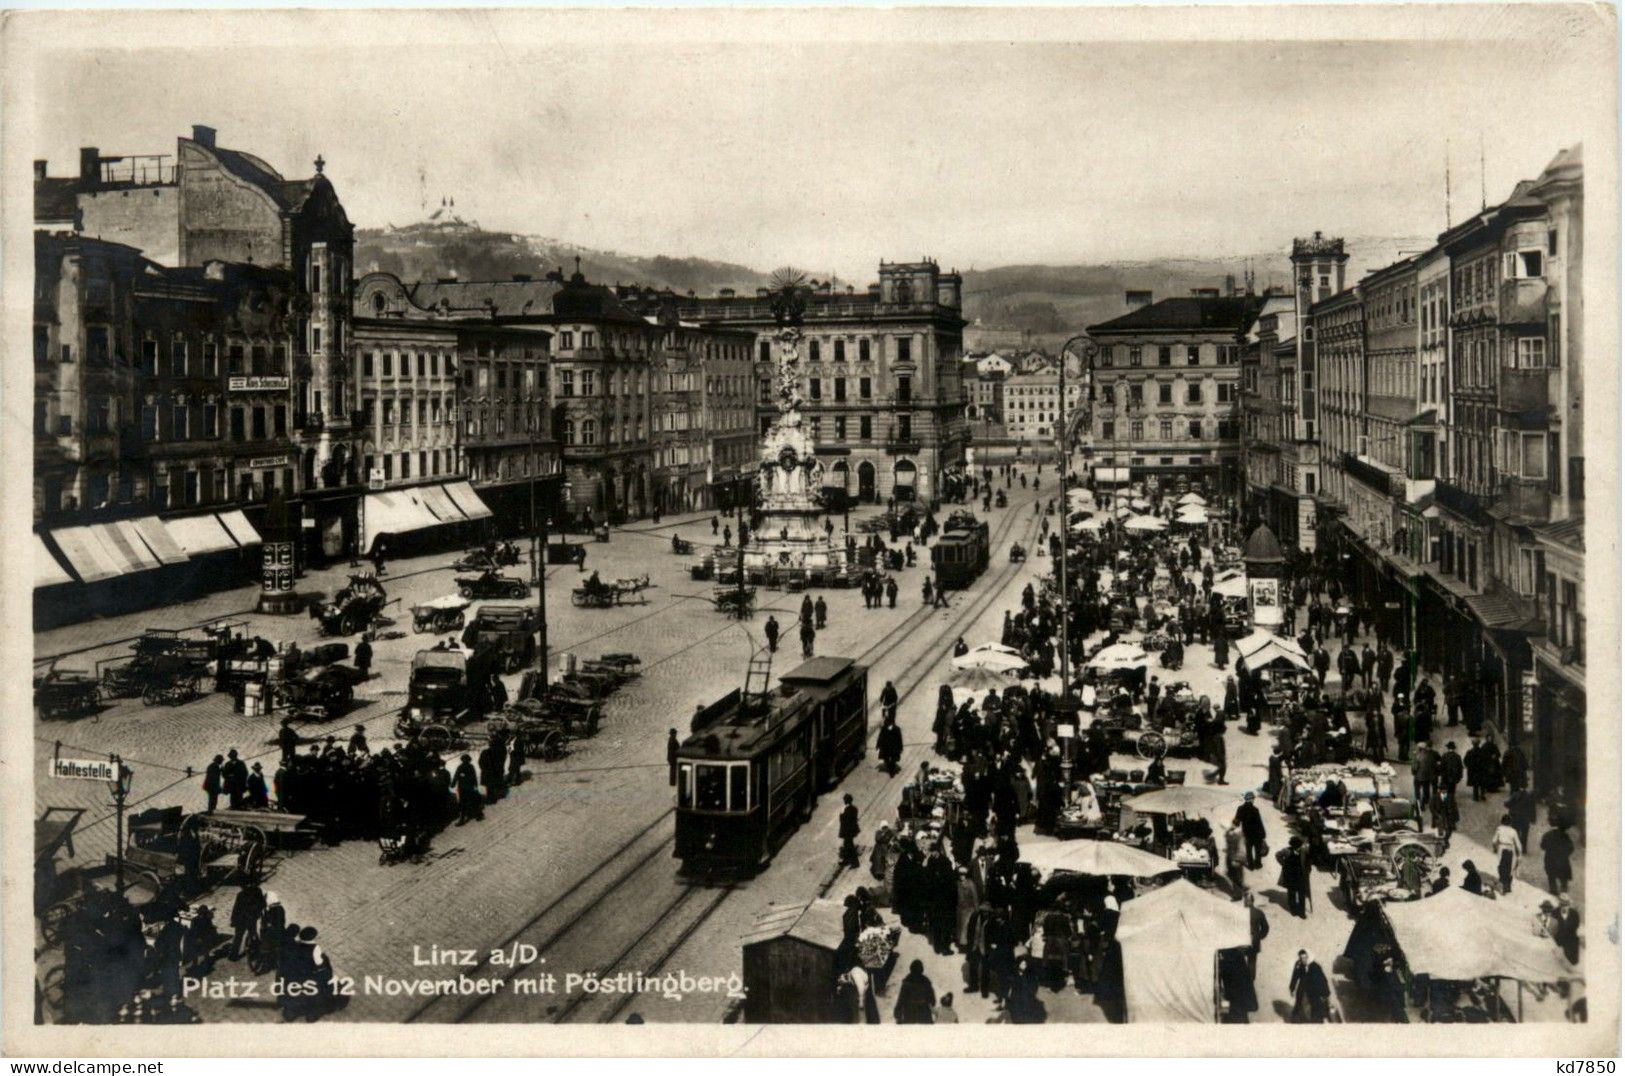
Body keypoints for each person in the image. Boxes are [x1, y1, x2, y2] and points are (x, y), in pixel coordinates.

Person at [1289, 950, 1332, 1023]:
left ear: (1309, 957)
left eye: (1305, 957)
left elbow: (1323, 981)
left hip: (1314, 992)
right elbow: (1295, 976)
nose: (1303, 960)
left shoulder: (1316, 967)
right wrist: (1292, 988)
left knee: (1315, 1011)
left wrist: (1325, 993)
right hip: (1302, 990)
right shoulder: (1298, 964)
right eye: (1301, 958)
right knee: (1301, 1007)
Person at [230, 882, 267, 960]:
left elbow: (236, 909)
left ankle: (233, 955)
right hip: (251, 918)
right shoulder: (257, 891)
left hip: (241, 919)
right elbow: (263, 904)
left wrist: (233, 920)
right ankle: (255, 953)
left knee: (238, 937)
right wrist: (257, 912)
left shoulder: (241, 895)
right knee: (253, 934)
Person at [1234, 791, 1267, 869]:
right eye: (1253, 799)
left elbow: (1237, 821)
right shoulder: (1255, 810)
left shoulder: (1240, 809)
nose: (1254, 800)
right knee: (1257, 850)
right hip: (1257, 834)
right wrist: (1263, 834)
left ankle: (1251, 865)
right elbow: (1259, 823)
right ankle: (1258, 864)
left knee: (1249, 850)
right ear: (1251, 799)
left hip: (1247, 834)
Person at [1541, 824, 1575, 895]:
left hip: (1550, 858)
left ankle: (1553, 889)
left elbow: (1542, 846)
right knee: (1563, 874)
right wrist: (1566, 854)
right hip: (1562, 859)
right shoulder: (1565, 836)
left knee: (1551, 874)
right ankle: (1564, 889)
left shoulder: (1547, 835)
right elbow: (1571, 848)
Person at [1244, 892, 1269, 980]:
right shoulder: (1259, 912)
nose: (1246, 902)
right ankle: (1250, 982)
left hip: (1242, 941)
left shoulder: (1240, 912)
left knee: (1242, 961)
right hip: (1254, 941)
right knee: (1252, 962)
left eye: (1246, 900)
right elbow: (1265, 928)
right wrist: (1259, 936)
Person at [1551, 894, 1582, 965]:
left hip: (1571, 937)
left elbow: (1575, 926)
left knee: (1573, 961)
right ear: (1559, 904)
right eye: (1562, 904)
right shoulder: (1554, 912)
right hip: (1559, 937)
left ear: (1569, 904)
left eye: (1566, 904)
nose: (1564, 906)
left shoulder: (1574, 913)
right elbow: (1553, 927)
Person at [453, 754, 483, 824]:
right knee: (472, 801)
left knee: (463, 803)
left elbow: (456, 776)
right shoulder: (471, 767)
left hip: (463, 788)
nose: (465, 761)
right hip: (469, 787)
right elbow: (474, 776)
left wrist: (453, 784)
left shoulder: (460, 767)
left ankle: (462, 819)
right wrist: (475, 785)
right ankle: (478, 815)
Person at [838, 794, 861, 869]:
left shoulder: (846, 810)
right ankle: (846, 860)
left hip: (848, 831)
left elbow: (843, 820)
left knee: (850, 846)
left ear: (846, 801)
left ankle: (855, 863)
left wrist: (841, 814)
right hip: (852, 831)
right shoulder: (854, 808)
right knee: (846, 845)